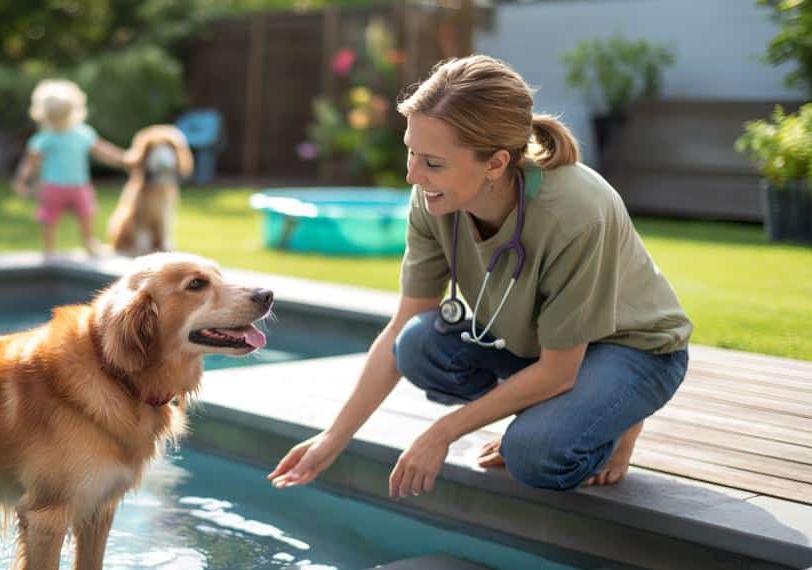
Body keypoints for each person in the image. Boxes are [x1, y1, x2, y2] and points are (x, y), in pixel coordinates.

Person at [269, 55, 691, 498]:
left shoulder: (577, 212)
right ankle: (569, 412)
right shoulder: (433, 199)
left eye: (432, 162)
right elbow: (401, 327)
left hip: (635, 350)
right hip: (547, 349)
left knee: (536, 455)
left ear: (495, 163)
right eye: (411, 152)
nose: (413, 175)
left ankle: (616, 419)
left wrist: (442, 432)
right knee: (417, 344)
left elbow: (558, 370)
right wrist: (332, 439)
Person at [12, 79, 127, 257]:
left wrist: (123, 158)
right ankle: (49, 249)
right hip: (53, 187)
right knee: (49, 218)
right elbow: (30, 162)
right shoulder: (44, 138)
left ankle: (89, 243)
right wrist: (21, 181)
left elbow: (102, 151)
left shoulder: (82, 133)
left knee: (86, 214)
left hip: (79, 186)